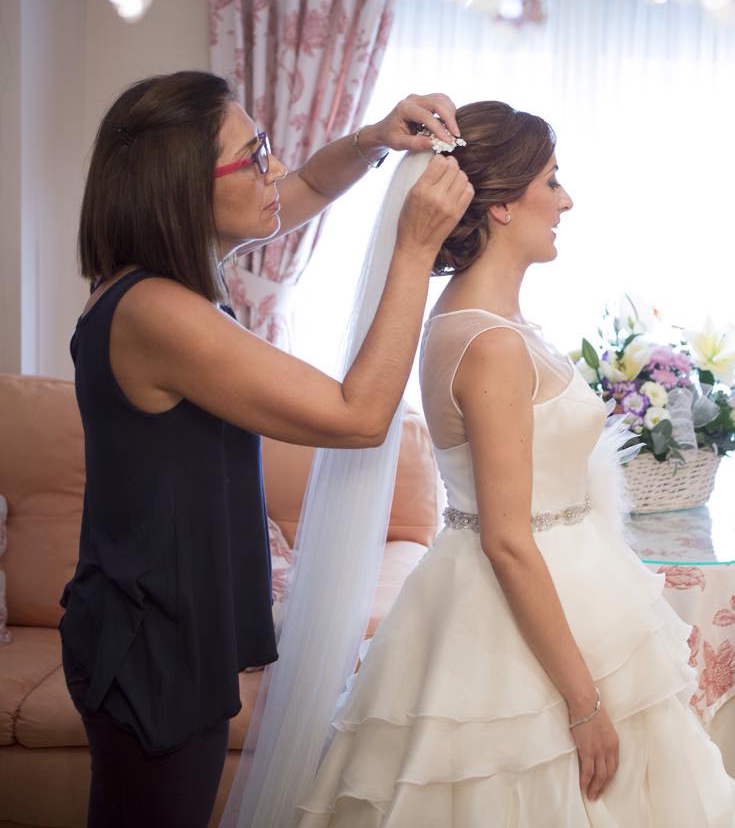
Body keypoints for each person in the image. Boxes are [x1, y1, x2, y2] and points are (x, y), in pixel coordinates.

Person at [245, 100, 735, 826]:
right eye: (551, 180)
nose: (566, 199)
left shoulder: (485, 322)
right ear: (504, 206)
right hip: (523, 598)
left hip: (564, 580)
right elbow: (507, 538)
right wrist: (581, 705)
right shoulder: (489, 345)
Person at [60, 69, 472, 828]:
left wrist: (375, 138)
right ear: (181, 187)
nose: (276, 169)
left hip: (171, 622)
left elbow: (308, 186)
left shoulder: (158, 284)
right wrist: (414, 250)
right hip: (148, 638)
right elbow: (358, 416)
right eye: (254, 155)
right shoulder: (157, 311)